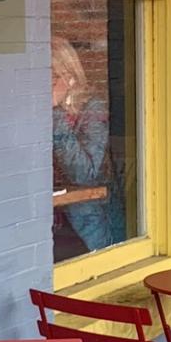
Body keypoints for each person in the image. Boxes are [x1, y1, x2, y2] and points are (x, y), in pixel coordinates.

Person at [52, 36, 124, 255]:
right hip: (51, 222)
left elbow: (83, 173)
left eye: (50, 77)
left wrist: (55, 112)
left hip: (85, 224)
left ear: (69, 77)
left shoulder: (92, 109)